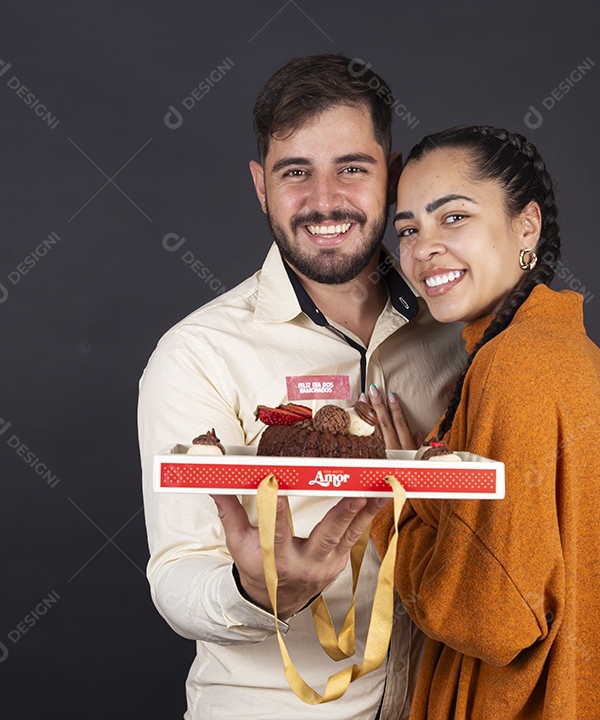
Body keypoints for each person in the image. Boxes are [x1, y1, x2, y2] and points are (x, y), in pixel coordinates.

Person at [138, 54, 467, 719]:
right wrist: (257, 593)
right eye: (296, 173)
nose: (324, 201)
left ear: (393, 174)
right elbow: (177, 574)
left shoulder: (458, 331)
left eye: (352, 167)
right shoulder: (198, 352)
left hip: (442, 701)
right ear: (261, 186)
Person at [370, 126, 600, 718]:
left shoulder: (513, 366)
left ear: (527, 227)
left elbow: (491, 619)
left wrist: (394, 506)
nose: (422, 249)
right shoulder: (575, 354)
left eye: (454, 218)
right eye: (409, 228)